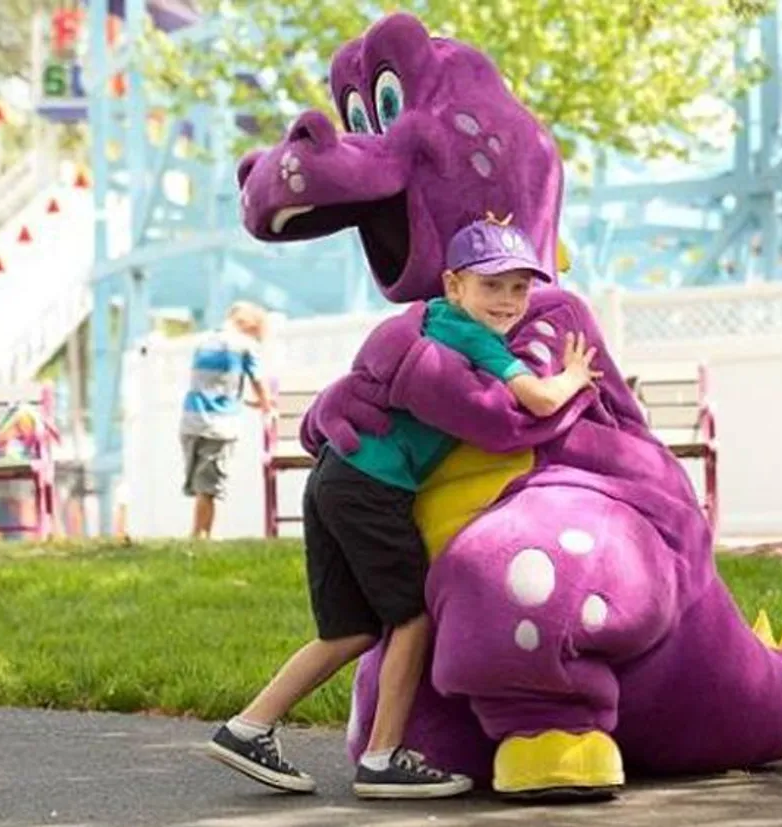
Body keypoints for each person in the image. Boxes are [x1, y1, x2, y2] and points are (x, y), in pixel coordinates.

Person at [206, 216, 601, 799]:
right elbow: (539, 400)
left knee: (350, 631)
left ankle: (248, 727)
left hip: (334, 480)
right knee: (412, 619)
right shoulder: (471, 338)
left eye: (520, 287)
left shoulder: (431, 321)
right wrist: (573, 376)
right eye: (492, 285)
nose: (508, 301)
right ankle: (383, 757)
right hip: (372, 487)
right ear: (453, 285)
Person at [180, 301, 272, 539]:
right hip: (219, 425)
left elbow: (214, 385)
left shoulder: (203, 341)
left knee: (199, 484)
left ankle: (198, 534)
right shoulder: (245, 346)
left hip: (190, 421)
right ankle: (200, 536)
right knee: (208, 488)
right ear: (251, 327)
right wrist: (267, 404)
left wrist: (247, 402)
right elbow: (258, 380)